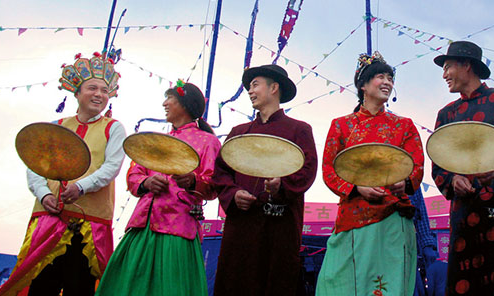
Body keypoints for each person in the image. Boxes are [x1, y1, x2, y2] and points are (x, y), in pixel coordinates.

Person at [0, 53, 126, 296]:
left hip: (87, 224)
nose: (99, 94)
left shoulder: (113, 128)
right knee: (41, 286)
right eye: (92, 88)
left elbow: (112, 167)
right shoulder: (56, 126)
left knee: (80, 287)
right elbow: (36, 166)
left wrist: (81, 187)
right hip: (49, 219)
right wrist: (44, 194)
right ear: (77, 93)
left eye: (104, 90)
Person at [96, 80, 221, 296]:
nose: (165, 103)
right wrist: (146, 183)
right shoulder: (156, 141)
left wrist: (192, 181)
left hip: (178, 227)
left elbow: (214, 185)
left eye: (170, 98)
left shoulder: (208, 142)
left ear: (185, 104)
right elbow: (134, 175)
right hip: (142, 225)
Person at [316, 52, 424, 295]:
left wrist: (404, 183)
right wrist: (357, 188)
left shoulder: (404, 125)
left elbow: (416, 166)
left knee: (390, 285)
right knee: (339, 281)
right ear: (363, 85)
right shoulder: (341, 125)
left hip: (393, 218)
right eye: (380, 77)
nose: (387, 82)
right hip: (353, 216)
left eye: (390, 78)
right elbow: (329, 170)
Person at [432, 40, 494, 295]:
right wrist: (453, 180)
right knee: (466, 282)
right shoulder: (446, 114)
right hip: (466, 214)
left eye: (447, 67)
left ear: (467, 65)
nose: (444, 75)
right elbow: (439, 167)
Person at [212, 64, 318, 296]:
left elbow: (308, 170)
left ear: (274, 88)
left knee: (276, 282)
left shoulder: (299, 129)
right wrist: (233, 194)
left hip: (280, 225)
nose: (250, 91)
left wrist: (282, 185)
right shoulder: (239, 132)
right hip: (241, 224)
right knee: (235, 281)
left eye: (255, 85)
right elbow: (220, 172)